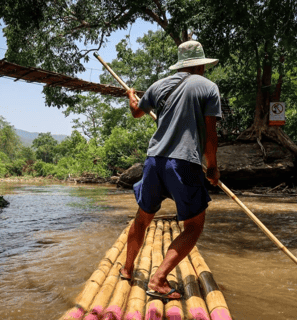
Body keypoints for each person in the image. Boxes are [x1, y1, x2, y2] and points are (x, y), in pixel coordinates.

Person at [119, 40, 222, 300]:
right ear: (200, 64)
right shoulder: (208, 88)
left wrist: (132, 96)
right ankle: (159, 279)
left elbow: (136, 113)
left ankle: (127, 270)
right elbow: (210, 135)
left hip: (155, 160)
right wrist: (212, 169)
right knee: (194, 226)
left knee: (142, 218)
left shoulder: (159, 85)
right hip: (184, 162)